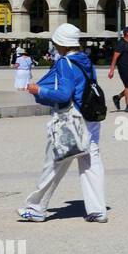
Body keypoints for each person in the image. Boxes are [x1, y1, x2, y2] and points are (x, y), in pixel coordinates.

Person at [20, 23, 107, 223]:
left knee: (54, 162)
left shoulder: (64, 62)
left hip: (72, 119)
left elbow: (64, 94)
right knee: (91, 163)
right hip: (91, 117)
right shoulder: (86, 60)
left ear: (61, 43)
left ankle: (36, 208)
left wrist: (38, 90)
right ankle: (98, 210)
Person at [108, 26, 128, 112]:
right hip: (124, 68)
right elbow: (115, 57)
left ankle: (117, 97)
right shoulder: (121, 43)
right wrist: (111, 70)